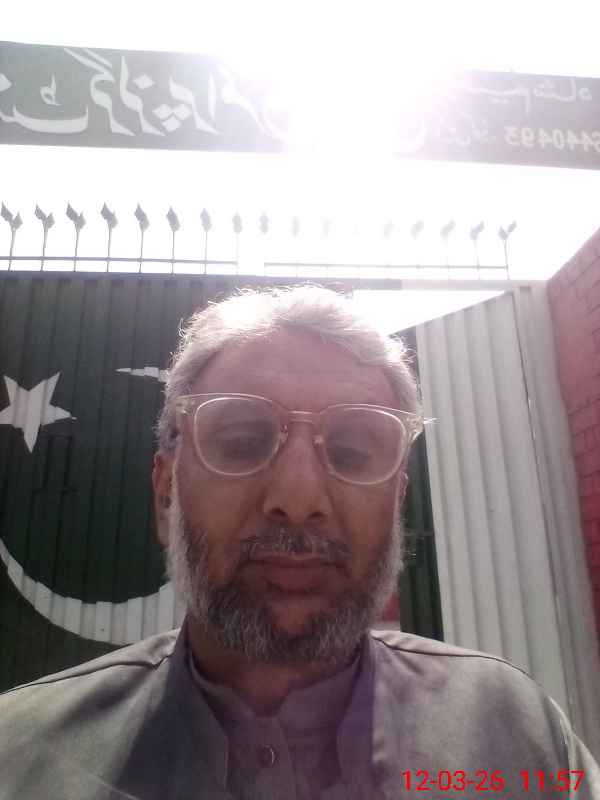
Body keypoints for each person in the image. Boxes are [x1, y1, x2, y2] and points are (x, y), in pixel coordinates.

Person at [0, 284, 598, 800]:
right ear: (166, 495)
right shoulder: (21, 756)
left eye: (353, 451)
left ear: (396, 501)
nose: (299, 497)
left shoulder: (515, 734)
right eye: (241, 442)